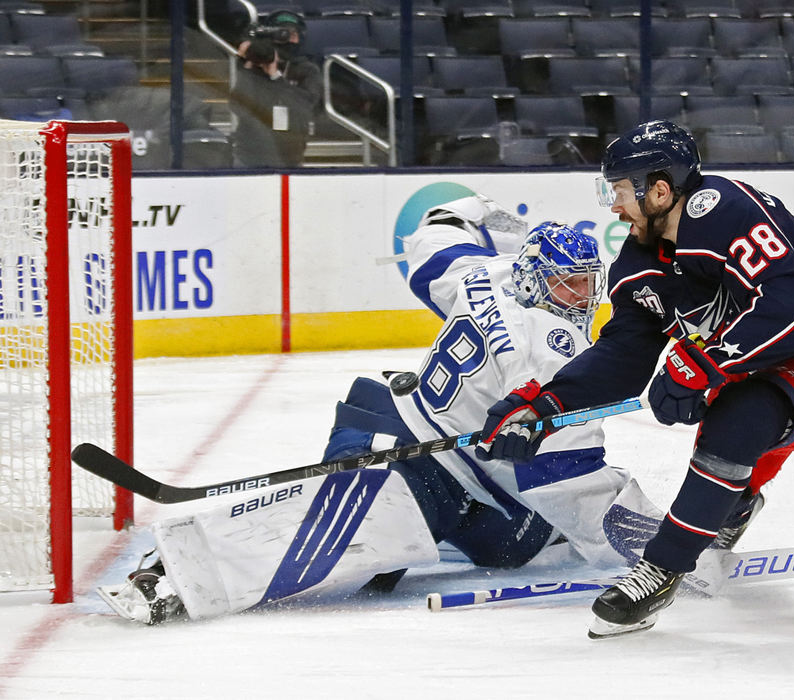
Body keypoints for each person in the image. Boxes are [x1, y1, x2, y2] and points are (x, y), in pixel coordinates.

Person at [97, 195, 667, 625]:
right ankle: (171, 575)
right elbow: (568, 476)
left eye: (586, 283)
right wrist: (672, 549)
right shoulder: (550, 349)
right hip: (422, 464)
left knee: (505, 536)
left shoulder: (480, 274)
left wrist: (486, 210)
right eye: (566, 284)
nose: (581, 297)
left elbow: (437, 230)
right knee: (344, 534)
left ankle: (374, 507)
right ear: (533, 278)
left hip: (416, 442)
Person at [479, 120, 794, 638]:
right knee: (728, 420)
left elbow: (790, 312)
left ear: (658, 190)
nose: (613, 207)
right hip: (768, 355)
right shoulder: (639, 260)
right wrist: (545, 404)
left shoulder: (721, 208)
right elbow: (624, 354)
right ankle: (734, 504)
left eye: (619, 191)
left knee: (739, 418)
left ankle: (663, 567)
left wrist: (705, 366)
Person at [229, 10, 323, 168]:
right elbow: (238, 107)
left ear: (300, 37)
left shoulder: (307, 70)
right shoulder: (253, 69)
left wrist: (275, 76)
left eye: (291, 34)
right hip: (249, 155)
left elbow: (305, 106)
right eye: (280, 33)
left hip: (290, 155)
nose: (286, 39)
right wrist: (248, 66)